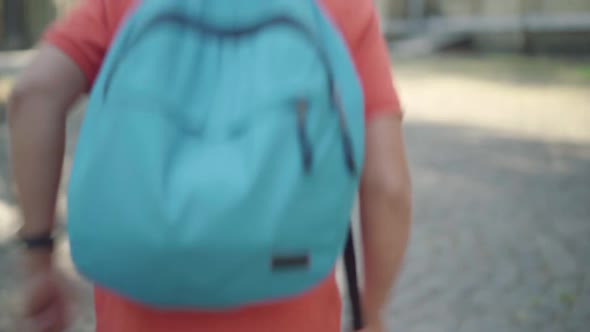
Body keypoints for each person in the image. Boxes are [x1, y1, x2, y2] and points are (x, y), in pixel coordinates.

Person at [7, 0, 412, 331]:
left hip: (138, 303)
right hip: (290, 297)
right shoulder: (343, 9)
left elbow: (32, 95)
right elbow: (387, 186)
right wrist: (371, 311)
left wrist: (40, 258)